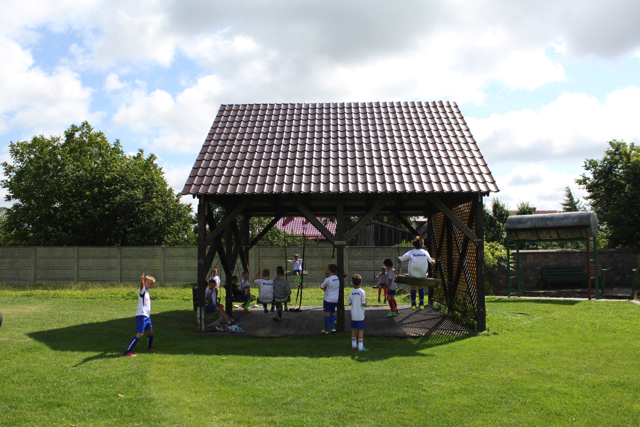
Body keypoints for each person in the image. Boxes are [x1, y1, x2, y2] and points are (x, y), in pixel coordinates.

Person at [123, 273, 157, 357]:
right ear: (144, 282)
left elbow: (146, 298)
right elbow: (142, 287)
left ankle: (149, 346)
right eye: (147, 283)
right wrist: (141, 280)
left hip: (147, 316)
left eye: (150, 284)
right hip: (141, 315)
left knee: (150, 333)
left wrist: (152, 298)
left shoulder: (146, 292)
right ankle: (128, 351)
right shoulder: (142, 290)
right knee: (140, 334)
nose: (149, 285)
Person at [398, 236, 436, 310]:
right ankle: (421, 303)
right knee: (421, 287)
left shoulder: (411, 252)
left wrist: (399, 258)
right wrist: (434, 260)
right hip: (422, 274)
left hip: (413, 274)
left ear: (414, 245)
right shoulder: (425, 252)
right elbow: (432, 262)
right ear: (422, 245)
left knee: (413, 287)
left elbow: (401, 260)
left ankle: (413, 304)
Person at [348, 274, 368, 351]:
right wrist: (366, 302)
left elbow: (349, 302)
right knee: (360, 330)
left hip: (353, 313)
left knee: (353, 329)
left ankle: (353, 345)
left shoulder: (352, 292)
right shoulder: (362, 292)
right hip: (360, 314)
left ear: (353, 283)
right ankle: (360, 346)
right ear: (361, 282)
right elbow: (363, 303)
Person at [320, 264, 340, 334]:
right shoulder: (337, 278)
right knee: (332, 313)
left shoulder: (328, 279)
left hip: (328, 299)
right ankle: (333, 328)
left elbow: (322, 286)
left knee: (327, 313)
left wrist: (325, 289)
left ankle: (326, 330)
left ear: (329, 271)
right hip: (335, 299)